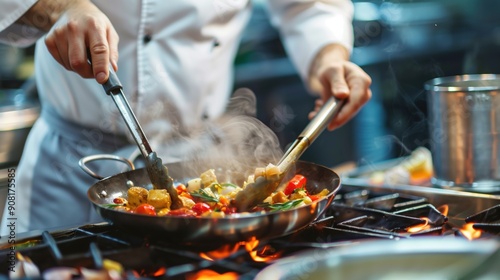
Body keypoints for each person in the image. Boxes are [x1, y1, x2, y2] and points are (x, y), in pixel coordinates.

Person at [0, 0, 371, 235]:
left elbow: (307, 6)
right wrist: (61, 7)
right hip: (68, 167)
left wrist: (329, 59)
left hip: (196, 152)